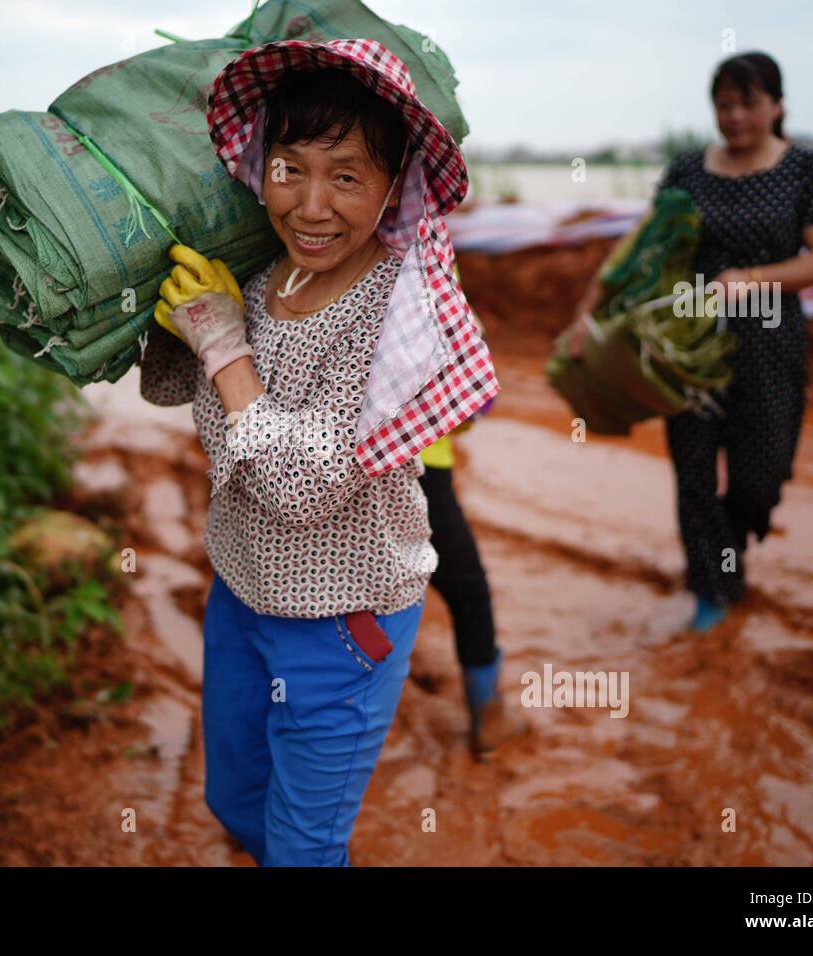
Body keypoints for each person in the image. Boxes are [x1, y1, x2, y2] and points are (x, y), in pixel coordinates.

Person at [139, 39, 498, 865]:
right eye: (289, 167)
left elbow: (299, 486)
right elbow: (169, 390)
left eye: (346, 176)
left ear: (394, 184)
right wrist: (174, 320)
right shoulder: (262, 277)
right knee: (232, 799)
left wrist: (227, 352)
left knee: (304, 847)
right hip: (241, 595)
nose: (310, 205)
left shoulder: (397, 321)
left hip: (344, 628)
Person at [565, 52, 813, 632]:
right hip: (684, 343)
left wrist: (750, 281)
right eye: (724, 105)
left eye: (749, 103)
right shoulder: (688, 170)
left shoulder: (805, 168)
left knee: (759, 475)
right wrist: (584, 317)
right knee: (692, 472)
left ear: (777, 106)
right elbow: (641, 249)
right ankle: (711, 593)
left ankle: (733, 539)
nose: (735, 116)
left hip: (770, 341)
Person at [417, 402, 528, 759]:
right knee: (469, 592)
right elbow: (469, 403)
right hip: (421, 463)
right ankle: (489, 718)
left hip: (337, 459)